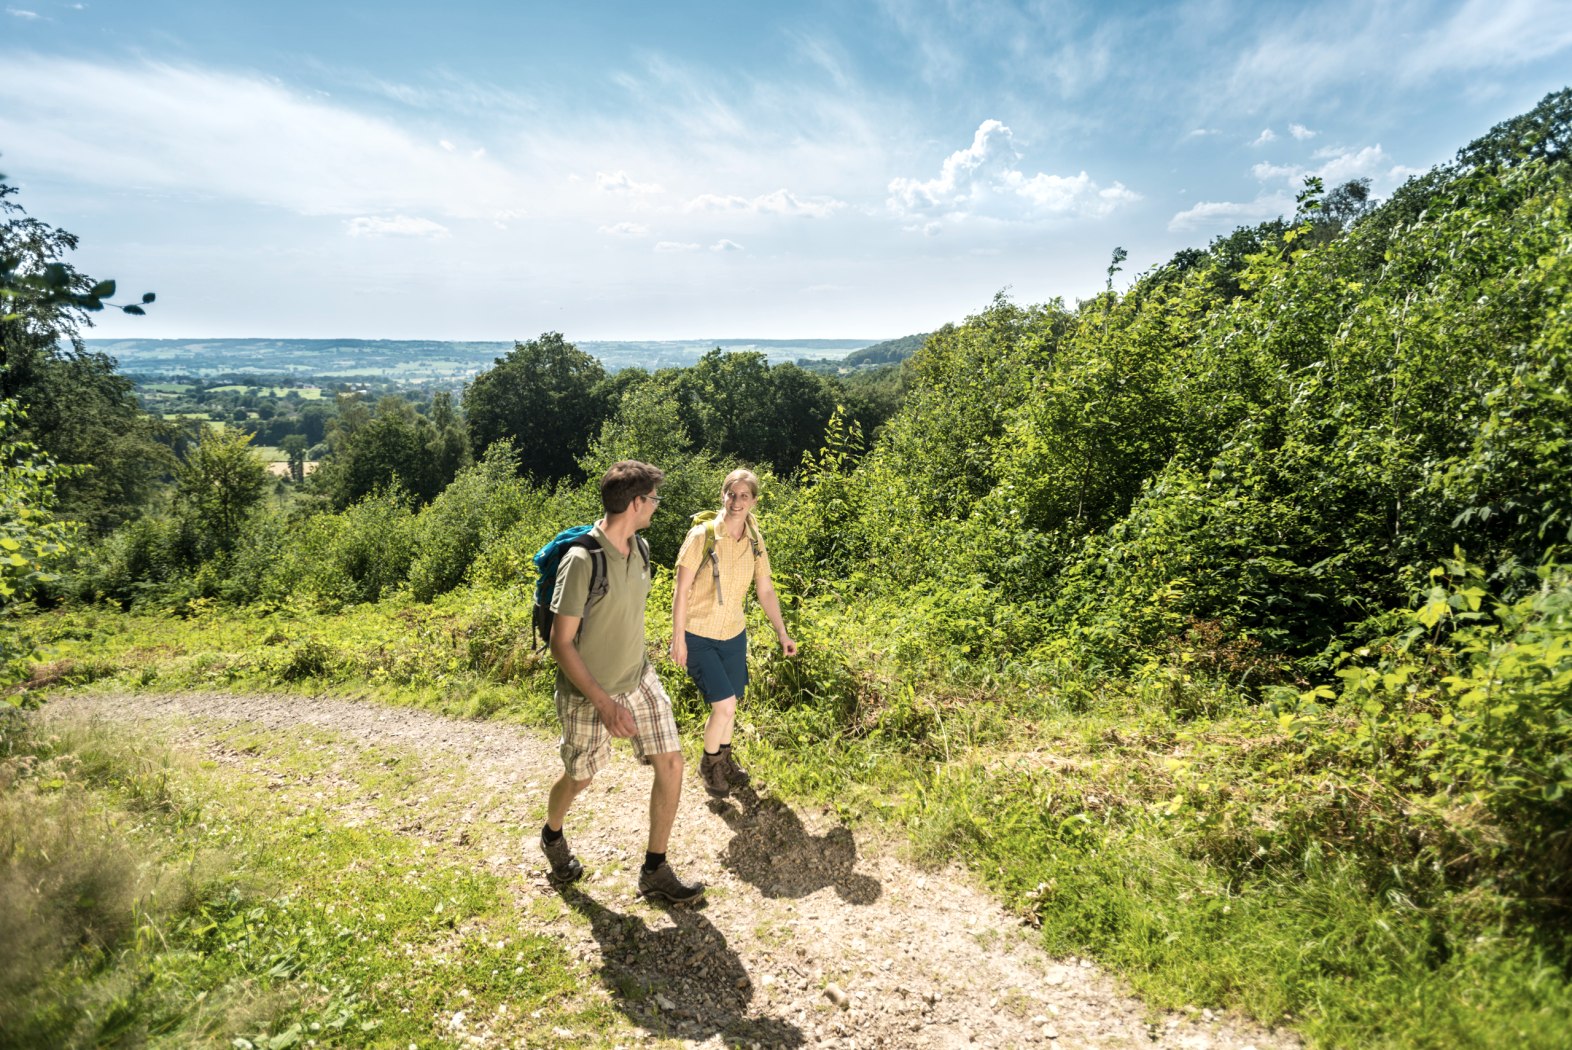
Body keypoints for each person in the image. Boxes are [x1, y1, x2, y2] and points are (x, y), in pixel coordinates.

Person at [540, 460, 704, 904]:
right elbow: (561, 644)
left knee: (671, 762)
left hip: (639, 678)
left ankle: (655, 869)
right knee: (580, 777)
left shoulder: (642, 549)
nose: (656, 506)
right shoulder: (582, 560)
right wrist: (606, 704)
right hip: (587, 694)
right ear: (636, 503)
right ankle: (552, 835)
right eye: (653, 499)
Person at [670, 468, 798, 799]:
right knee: (724, 706)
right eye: (731, 493)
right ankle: (710, 766)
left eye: (744, 495)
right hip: (698, 634)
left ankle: (725, 760)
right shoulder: (702, 536)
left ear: (754, 501)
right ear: (722, 495)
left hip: (733, 634)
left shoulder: (755, 539)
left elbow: (765, 589)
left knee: (732, 703)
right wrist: (677, 638)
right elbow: (680, 590)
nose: (736, 501)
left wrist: (782, 632)